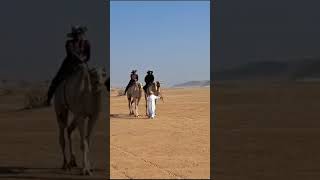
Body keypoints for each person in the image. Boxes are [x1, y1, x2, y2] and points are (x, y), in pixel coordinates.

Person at [46, 25, 91, 106]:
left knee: (93, 79)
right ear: (73, 35)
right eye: (76, 34)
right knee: (56, 80)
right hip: (69, 65)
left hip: (82, 65)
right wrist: (80, 59)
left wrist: (83, 60)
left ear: (82, 34)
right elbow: (71, 54)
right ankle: (49, 99)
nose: (77, 36)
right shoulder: (69, 43)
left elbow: (88, 56)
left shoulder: (86, 43)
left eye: (79, 34)